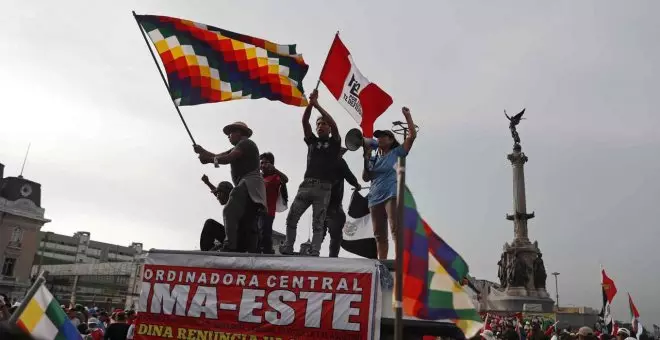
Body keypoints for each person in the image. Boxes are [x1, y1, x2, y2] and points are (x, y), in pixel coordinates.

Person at [281, 89, 341, 256]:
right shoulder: (312, 142)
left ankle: (315, 250)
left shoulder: (335, 143)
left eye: (324, 124)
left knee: (318, 222)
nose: (321, 126)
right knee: (292, 217)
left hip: (323, 188)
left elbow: (334, 125)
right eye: (319, 124)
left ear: (328, 128)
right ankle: (288, 246)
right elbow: (305, 121)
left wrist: (318, 106)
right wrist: (310, 104)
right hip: (306, 185)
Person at [194, 121, 266, 253]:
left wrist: (209, 160)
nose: (228, 136)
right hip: (246, 187)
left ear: (239, 132)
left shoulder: (246, 143)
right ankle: (212, 252)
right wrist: (202, 151)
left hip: (250, 183)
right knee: (238, 216)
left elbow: (227, 158)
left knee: (229, 210)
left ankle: (230, 245)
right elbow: (219, 155)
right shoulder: (239, 146)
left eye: (230, 133)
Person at [361, 107, 416, 259]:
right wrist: (366, 156)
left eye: (383, 136)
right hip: (374, 198)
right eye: (378, 137)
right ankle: (382, 263)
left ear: (391, 140)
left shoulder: (396, 153)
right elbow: (366, 177)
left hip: (390, 194)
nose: (379, 139)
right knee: (379, 234)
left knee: (395, 228)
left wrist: (408, 116)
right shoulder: (373, 158)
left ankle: (400, 260)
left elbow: (412, 136)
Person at [324, 147, 360, 257]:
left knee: (321, 233)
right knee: (335, 236)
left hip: (322, 204)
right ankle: (332, 258)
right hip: (333, 206)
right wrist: (356, 185)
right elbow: (349, 175)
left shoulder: (322, 162)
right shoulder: (339, 162)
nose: (341, 155)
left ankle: (315, 255)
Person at [258, 152, 288, 254]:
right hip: (256, 212)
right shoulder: (259, 177)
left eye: (265, 163)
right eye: (261, 163)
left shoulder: (276, 177)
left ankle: (268, 253)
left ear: (271, 164)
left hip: (267, 212)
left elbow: (286, 179)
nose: (262, 165)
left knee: (265, 234)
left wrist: (274, 169)